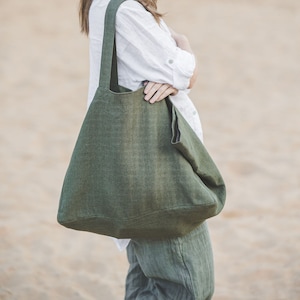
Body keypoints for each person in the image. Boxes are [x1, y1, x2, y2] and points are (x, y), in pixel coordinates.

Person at [79, 0, 214, 299]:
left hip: (136, 171)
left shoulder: (105, 4)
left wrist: (175, 73)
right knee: (188, 287)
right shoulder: (126, 10)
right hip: (159, 171)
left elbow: (173, 71)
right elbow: (185, 73)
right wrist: (185, 47)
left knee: (147, 282)